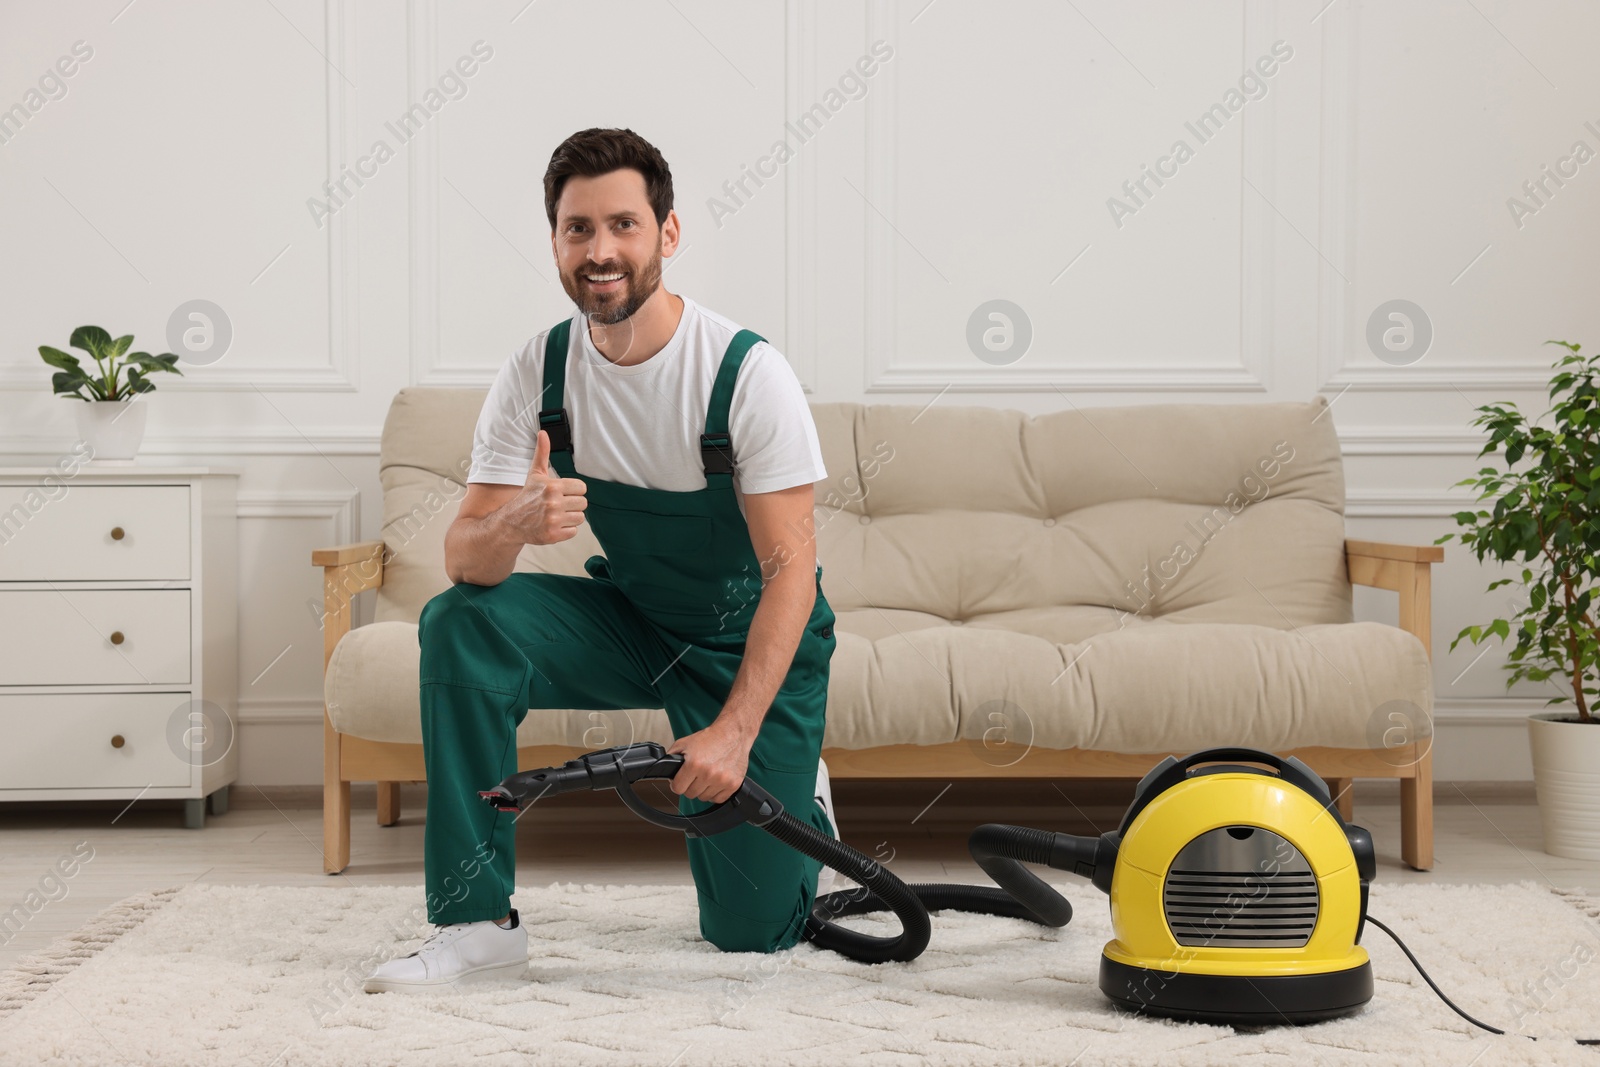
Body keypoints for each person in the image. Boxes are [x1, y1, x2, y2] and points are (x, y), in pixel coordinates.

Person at [364, 127, 841, 993]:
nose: (601, 250)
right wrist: (516, 519)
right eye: (577, 228)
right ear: (555, 242)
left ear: (668, 233)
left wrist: (735, 734)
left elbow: (793, 576)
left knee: (753, 935)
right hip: (637, 620)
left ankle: (800, 791)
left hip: (745, 645)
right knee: (459, 623)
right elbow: (466, 561)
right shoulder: (539, 371)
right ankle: (477, 923)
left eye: (623, 223)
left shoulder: (744, 374)